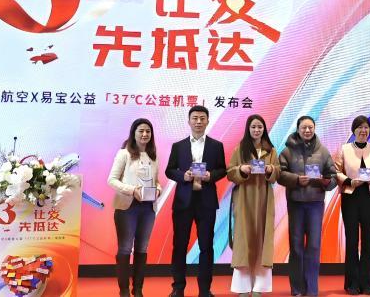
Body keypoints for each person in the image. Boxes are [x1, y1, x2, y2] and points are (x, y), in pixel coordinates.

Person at [166, 105, 227, 297]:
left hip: (206, 201)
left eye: (202, 118)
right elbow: (169, 170)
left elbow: (222, 169)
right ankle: (178, 288)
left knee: (206, 247)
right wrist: (183, 176)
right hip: (183, 202)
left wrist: (211, 175)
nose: (198, 122)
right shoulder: (179, 146)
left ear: (207, 121)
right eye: (195, 118)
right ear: (189, 121)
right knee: (180, 246)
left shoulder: (216, 146)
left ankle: (204, 290)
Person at [277, 115, 336, 296]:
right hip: (295, 203)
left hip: (315, 204)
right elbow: (279, 174)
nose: (307, 130)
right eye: (304, 127)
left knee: (314, 246)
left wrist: (326, 182)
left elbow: (333, 176)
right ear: (298, 129)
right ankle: (297, 288)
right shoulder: (287, 151)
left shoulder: (323, 151)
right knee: (296, 247)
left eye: (310, 127)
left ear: (314, 128)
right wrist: (296, 179)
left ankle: (311, 289)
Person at [334, 115, 370, 295]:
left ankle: (367, 283)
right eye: (360, 127)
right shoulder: (344, 149)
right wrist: (349, 181)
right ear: (354, 130)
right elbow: (336, 171)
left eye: (366, 127)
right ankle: (352, 283)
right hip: (350, 197)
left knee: (368, 241)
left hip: (369, 197)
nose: (363, 131)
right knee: (351, 241)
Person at [108, 118, 162, 297]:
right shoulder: (124, 154)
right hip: (127, 208)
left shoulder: (153, 155)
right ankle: (124, 290)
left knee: (142, 249)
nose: (145, 134)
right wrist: (132, 190)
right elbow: (112, 180)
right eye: (141, 131)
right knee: (125, 248)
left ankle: (138, 289)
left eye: (148, 131)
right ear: (134, 133)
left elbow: (157, 181)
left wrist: (159, 189)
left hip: (148, 209)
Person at [227, 115, 281, 296]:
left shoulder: (271, 150)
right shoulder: (240, 149)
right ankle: (242, 287)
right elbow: (230, 172)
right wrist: (240, 170)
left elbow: (278, 172)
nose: (257, 130)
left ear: (264, 129)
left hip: (264, 199)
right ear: (248, 129)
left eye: (260, 127)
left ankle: (260, 287)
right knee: (244, 239)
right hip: (244, 198)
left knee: (262, 240)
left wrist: (271, 169)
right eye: (253, 127)